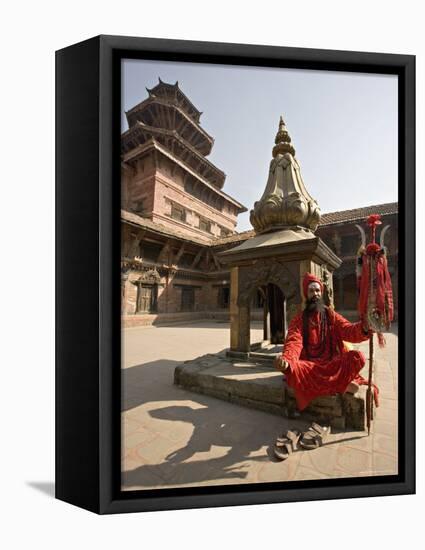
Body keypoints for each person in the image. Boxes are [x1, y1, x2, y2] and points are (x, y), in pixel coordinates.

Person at [274, 272, 378, 414]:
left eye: (317, 290)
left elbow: (348, 330)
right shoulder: (299, 320)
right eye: (311, 291)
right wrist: (287, 360)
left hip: (331, 363)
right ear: (306, 294)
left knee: (357, 357)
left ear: (321, 293)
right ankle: (340, 385)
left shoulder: (331, 315)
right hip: (311, 366)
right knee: (293, 369)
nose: (315, 294)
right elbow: (293, 341)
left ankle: (333, 384)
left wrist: (364, 327)